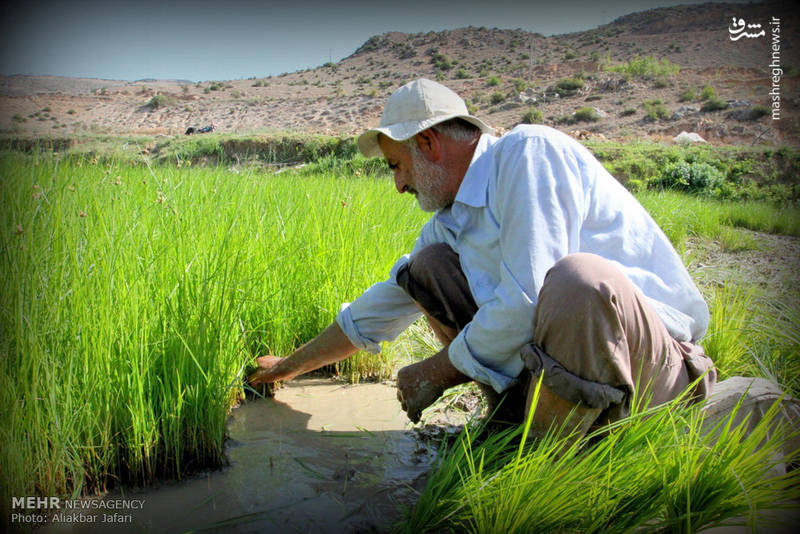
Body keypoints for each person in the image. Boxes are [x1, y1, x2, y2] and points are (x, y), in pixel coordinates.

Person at [249, 78, 716, 437]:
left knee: (577, 279)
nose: (398, 185)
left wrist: (434, 371)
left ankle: (538, 467)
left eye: (396, 165)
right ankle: (514, 425)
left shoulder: (529, 154)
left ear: (428, 144)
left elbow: (526, 300)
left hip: (651, 371)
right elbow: (378, 309)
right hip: (570, 377)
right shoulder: (451, 223)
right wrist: (286, 368)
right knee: (424, 268)